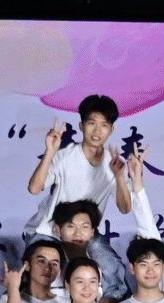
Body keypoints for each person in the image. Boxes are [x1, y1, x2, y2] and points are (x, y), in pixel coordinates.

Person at [24, 95, 139, 239]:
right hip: (48, 231)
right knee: (50, 254)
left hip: (85, 235)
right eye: (91, 123)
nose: (97, 130)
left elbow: (125, 209)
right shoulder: (65, 156)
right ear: (81, 125)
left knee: (107, 256)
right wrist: (50, 152)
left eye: (104, 125)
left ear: (111, 130)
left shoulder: (115, 163)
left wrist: (119, 176)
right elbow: (34, 189)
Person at [43, 200, 132, 303]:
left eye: (84, 227)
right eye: (71, 226)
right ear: (58, 230)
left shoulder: (104, 263)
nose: (78, 233)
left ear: (92, 232)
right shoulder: (49, 264)